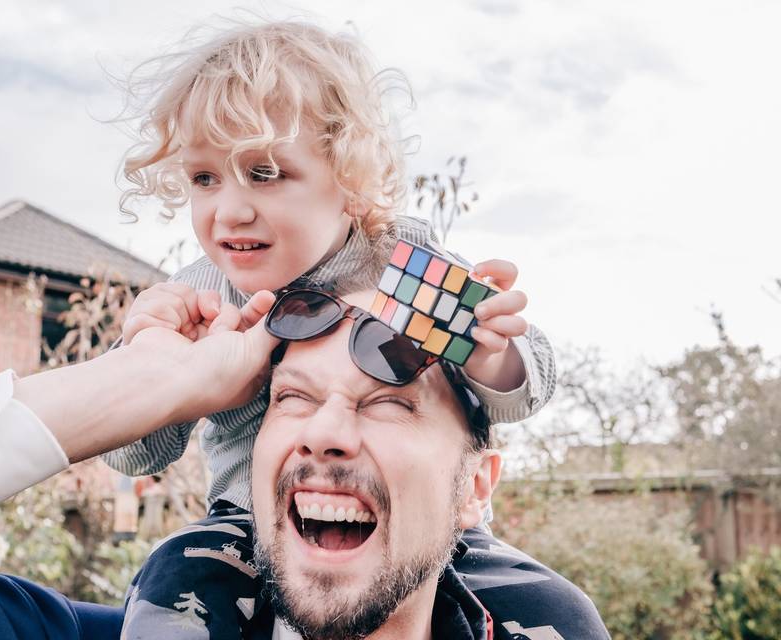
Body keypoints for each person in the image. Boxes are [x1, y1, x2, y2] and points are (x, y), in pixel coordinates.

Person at [103, 19, 558, 639]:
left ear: (349, 182)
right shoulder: (200, 297)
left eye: (264, 173)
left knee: (549, 607)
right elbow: (136, 455)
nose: (228, 210)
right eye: (205, 178)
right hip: (247, 523)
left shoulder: (401, 261)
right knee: (172, 587)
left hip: (428, 530)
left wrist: (495, 359)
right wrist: (143, 369)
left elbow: (528, 389)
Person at [0, 289, 608, 640]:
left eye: (388, 402)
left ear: (476, 488)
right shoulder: (160, 630)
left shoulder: (547, 628)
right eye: (291, 399)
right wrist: (147, 383)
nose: (324, 433)